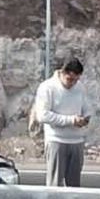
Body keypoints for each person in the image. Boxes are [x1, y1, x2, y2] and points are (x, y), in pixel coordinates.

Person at [34, 57, 93, 187]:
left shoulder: (80, 87)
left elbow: (87, 107)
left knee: (74, 186)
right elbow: (42, 115)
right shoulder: (47, 87)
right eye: (70, 79)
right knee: (55, 184)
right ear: (61, 72)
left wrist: (86, 117)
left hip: (77, 141)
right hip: (57, 140)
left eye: (76, 79)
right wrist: (71, 120)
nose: (72, 83)